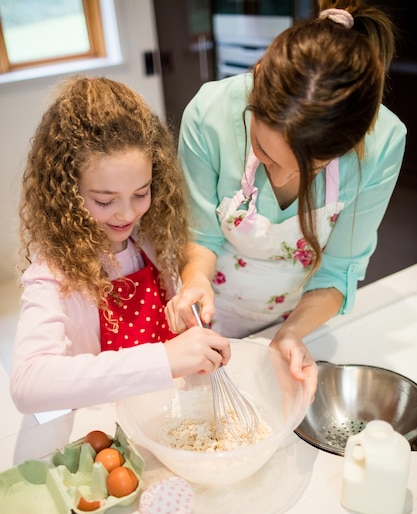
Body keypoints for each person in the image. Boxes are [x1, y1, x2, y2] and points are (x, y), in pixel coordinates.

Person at [166, 0, 406, 397]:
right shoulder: (209, 114)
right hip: (213, 310)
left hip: (300, 313)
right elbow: (201, 235)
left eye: (309, 169)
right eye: (263, 151)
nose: (280, 176)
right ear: (258, 78)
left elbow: (337, 272)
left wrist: (290, 333)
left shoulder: (383, 143)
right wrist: (194, 282)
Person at [9, 76, 230, 415]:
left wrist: (188, 320)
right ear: (68, 193)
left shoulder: (148, 241)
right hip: (108, 429)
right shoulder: (53, 275)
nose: (127, 213)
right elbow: (28, 384)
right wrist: (163, 360)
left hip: (170, 415)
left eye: (141, 193)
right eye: (104, 200)